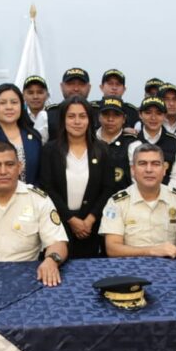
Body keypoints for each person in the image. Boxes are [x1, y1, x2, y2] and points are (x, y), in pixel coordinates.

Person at [0, 141, 67, 286]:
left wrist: (51, 261)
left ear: (19, 167)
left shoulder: (38, 200)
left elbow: (57, 242)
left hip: (26, 278)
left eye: (10, 164)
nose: (3, 171)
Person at [38, 95, 112, 260]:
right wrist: (71, 219)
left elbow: (108, 188)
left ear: (90, 120)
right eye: (71, 116)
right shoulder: (50, 150)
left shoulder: (102, 149)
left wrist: (90, 219)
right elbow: (47, 188)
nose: (77, 121)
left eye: (82, 116)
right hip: (59, 225)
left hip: (91, 226)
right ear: (63, 120)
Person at [128, 96, 176, 185]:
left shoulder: (174, 142)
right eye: (148, 113)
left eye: (159, 113)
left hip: (167, 193)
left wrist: (163, 192)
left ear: (164, 116)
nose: (153, 118)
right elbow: (131, 175)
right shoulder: (131, 141)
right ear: (140, 115)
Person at [94, 98, 134, 191]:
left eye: (116, 115)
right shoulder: (88, 139)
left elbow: (137, 181)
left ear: (124, 119)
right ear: (99, 117)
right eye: (106, 114)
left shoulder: (132, 144)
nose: (110, 119)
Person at [45, 68, 93, 140]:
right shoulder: (48, 115)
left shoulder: (98, 113)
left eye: (81, 84)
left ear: (89, 87)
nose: (76, 89)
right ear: (62, 86)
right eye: (71, 84)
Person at [22, 75, 50, 141]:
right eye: (30, 93)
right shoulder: (18, 117)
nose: (35, 97)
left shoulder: (54, 115)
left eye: (40, 92)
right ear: (23, 96)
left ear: (47, 95)